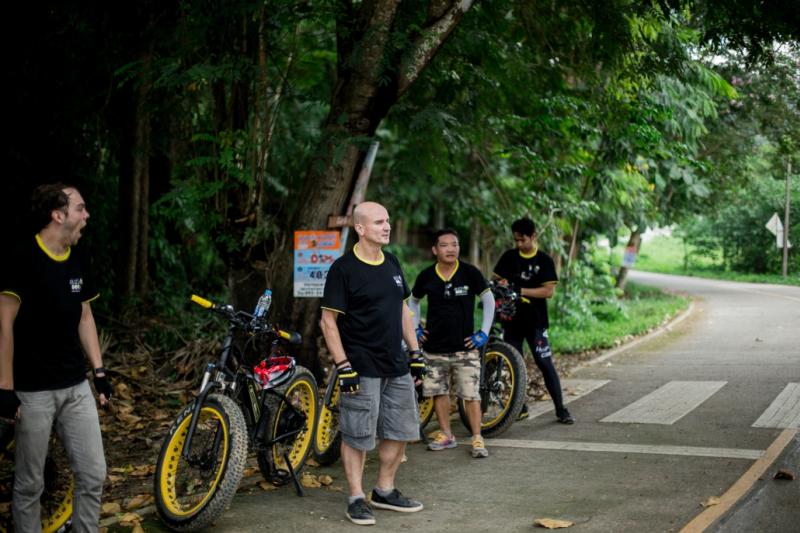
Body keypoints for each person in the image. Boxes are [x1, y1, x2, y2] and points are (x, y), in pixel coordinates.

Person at [0, 183, 112, 532]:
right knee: (31, 484)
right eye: (80, 208)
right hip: (33, 393)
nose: (86, 215)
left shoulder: (80, 255)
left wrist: (99, 371)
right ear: (58, 214)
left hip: (75, 387)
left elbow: (85, 317)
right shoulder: (23, 257)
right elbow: (4, 327)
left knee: (94, 473)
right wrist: (5, 388)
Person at [319, 201, 426, 526]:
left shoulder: (392, 262)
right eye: (380, 221)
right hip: (360, 366)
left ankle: (384, 489)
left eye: (388, 221)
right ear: (361, 228)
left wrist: (416, 353)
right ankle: (355, 496)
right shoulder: (344, 269)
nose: (387, 226)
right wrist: (343, 364)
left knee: (402, 428)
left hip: (396, 365)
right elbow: (328, 322)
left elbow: (403, 312)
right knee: (357, 434)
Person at [409, 229, 495, 458]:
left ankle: (477, 438)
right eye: (445, 245)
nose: (451, 249)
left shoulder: (470, 273)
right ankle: (447, 434)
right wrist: (416, 328)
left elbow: (488, 300)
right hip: (434, 348)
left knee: (471, 395)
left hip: (465, 348)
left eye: (455, 244)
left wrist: (483, 333)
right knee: (438, 392)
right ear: (435, 250)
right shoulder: (426, 276)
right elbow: (413, 301)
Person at [492, 217, 574, 424]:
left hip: (536, 323)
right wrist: (501, 285)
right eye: (516, 240)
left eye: (523, 240)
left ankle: (561, 409)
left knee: (544, 363)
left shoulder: (544, 261)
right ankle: (520, 407)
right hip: (511, 321)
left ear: (534, 236)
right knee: (515, 364)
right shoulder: (509, 257)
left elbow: (548, 291)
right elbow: (496, 281)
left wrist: (520, 290)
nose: (519, 244)